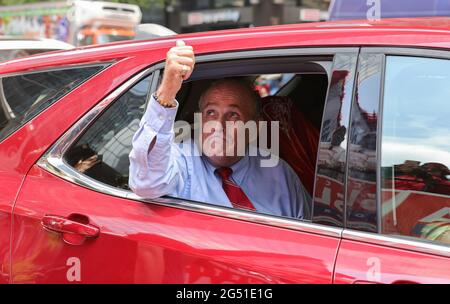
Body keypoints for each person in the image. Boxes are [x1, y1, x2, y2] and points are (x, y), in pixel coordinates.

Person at [129, 40, 310, 219]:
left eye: (233, 115)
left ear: (253, 127)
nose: (219, 126)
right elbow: (147, 183)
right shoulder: (181, 160)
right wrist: (167, 91)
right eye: (211, 113)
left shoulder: (278, 173)